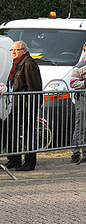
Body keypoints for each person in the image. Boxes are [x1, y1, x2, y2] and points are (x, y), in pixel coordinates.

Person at [4, 41, 43, 171]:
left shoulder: (29, 64)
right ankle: (14, 159)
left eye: (16, 50)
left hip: (26, 106)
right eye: (12, 50)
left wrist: (31, 106)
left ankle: (30, 162)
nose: (13, 52)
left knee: (28, 134)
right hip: (15, 105)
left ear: (24, 51)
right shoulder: (18, 64)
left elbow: (34, 88)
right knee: (11, 130)